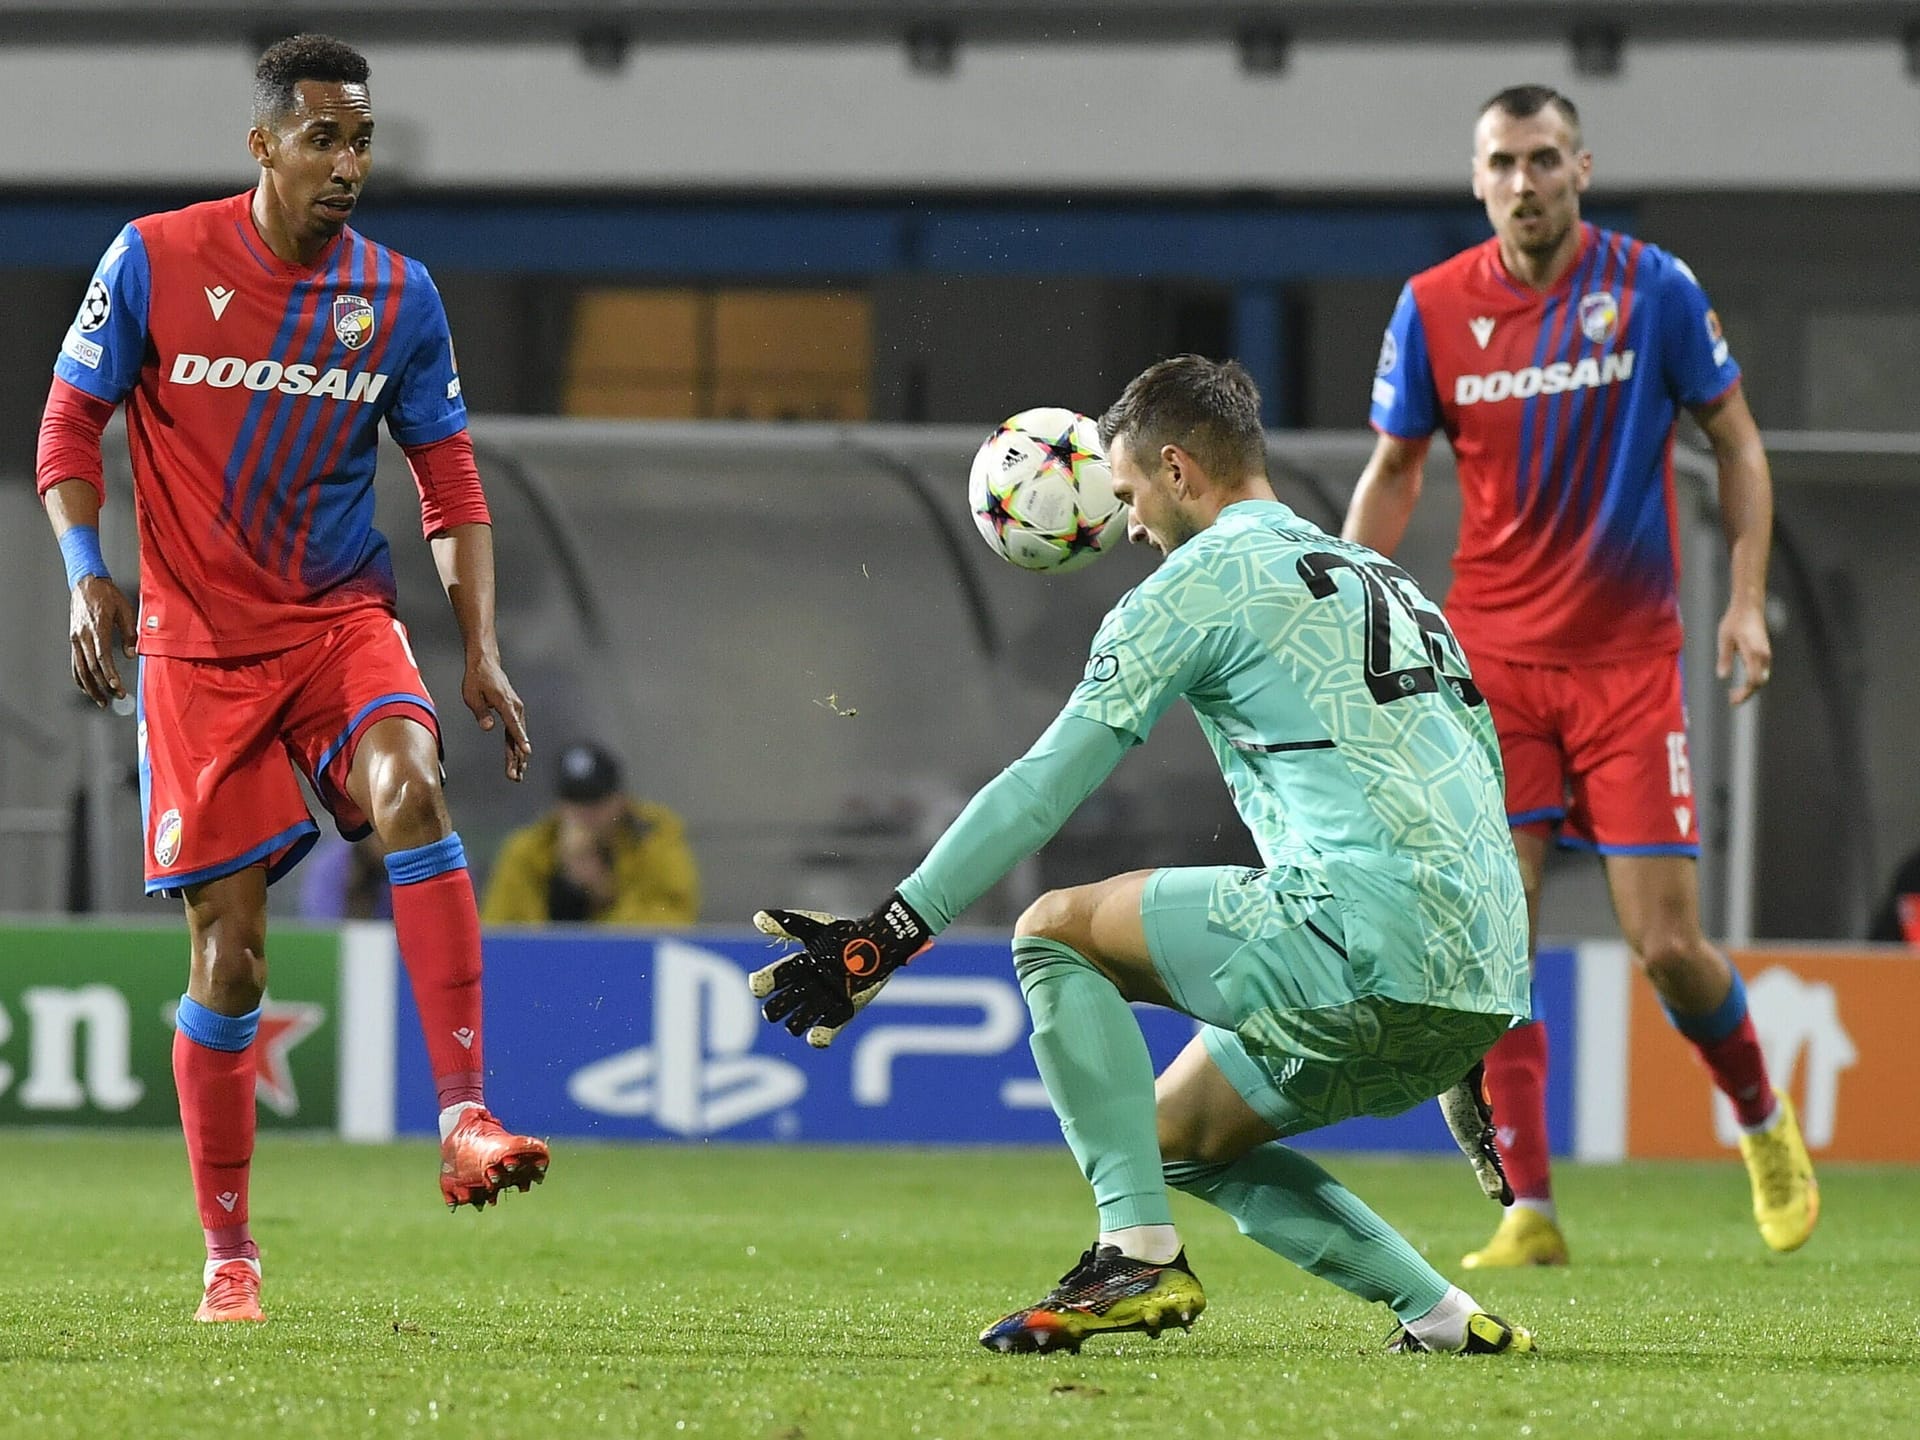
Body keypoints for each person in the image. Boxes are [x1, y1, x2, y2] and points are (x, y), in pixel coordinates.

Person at [752, 356, 1537, 1357]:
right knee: (1166, 1140)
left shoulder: (1199, 581)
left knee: (1054, 936)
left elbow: (1045, 782)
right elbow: (1474, 771)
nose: (1128, 525)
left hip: (1355, 934)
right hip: (1480, 977)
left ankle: (1134, 1256)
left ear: (1176, 469)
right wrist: (1462, 1026)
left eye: (1126, 494)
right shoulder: (1388, 580)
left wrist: (888, 934)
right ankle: (1444, 1320)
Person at [35, 34, 551, 1324]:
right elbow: (64, 426)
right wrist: (84, 569)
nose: (349, 165)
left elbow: (449, 482)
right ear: (262, 145)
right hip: (196, 653)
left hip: (337, 623)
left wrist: (477, 648)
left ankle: (463, 1116)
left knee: (415, 789)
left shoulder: (399, 295)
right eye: (323, 138)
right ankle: (229, 1252)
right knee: (237, 964)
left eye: (363, 141)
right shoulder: (155, 258)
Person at [1345, 84, 1816, 1269]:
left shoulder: (1651, 286)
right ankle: (1529, 1209)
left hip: (1626, 667)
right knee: (1495, 940)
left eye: (1543, 159)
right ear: (1476, 179)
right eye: (1502, 162)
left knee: (1665, 944)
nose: (1523, 181)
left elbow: (1738, 441)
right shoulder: (1434, 306)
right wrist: (1346, 619)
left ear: (1582, 169)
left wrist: (1750, 601)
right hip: (1491, 666)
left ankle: (1761, 1119)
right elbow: (1396, 469)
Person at [481, 741, 700, 925]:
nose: (585, 815)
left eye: (596, 802)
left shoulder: (652, 839)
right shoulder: (529, 849)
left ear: (621, 800)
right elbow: (501, 929)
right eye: (575, 802)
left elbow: (673, 920)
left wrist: (601, 891)